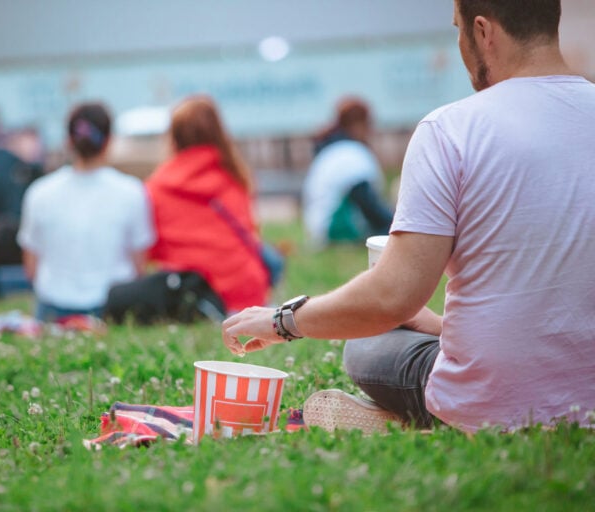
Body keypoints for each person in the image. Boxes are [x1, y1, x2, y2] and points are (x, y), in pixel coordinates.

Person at [222, 0, 595, 434]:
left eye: (457, 30)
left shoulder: (449, 131)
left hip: (491, 405)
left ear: (482, 32)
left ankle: (409, 418)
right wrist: (437, 326)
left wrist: (281, 320)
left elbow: (391, 297)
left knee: (365, 347)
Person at [17, 102, 154, 321]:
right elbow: (139, 266)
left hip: (51, 310)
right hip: (112, 311)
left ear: (68, 140)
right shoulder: (133, 192)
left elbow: (31, 267)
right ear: (109, 141)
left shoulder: (39, 192)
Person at [146, 95, 269, 313]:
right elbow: (251, 233)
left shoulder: (157, 185)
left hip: (194, 295)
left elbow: (153, 249)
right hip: (247, 291)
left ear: (174, 136)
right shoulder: (234, 176)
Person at [302, 97, 394, 247]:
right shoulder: (352, 154)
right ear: (357, 125)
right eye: (368, 124)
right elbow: (368, 204)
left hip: (318, 230)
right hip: (335, 231)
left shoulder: (333, 150)